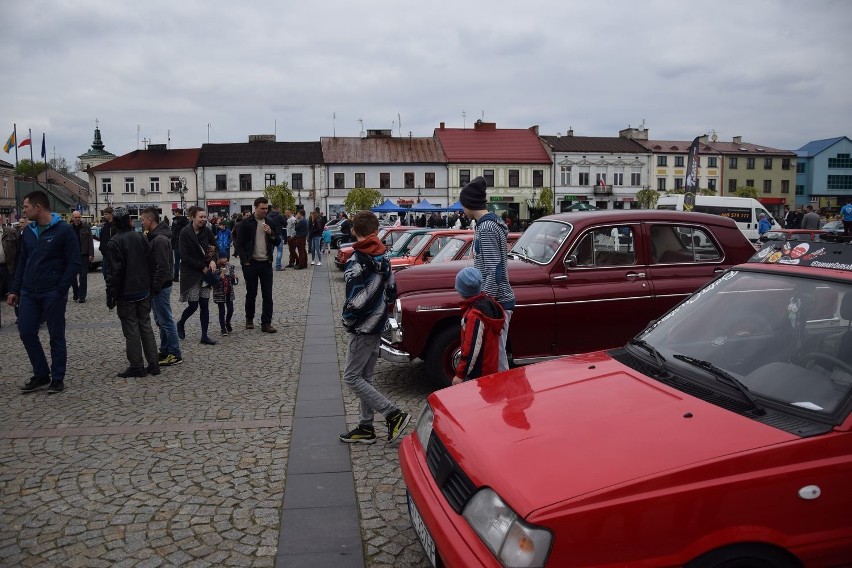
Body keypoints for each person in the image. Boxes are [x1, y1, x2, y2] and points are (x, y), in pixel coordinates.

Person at [339, 211, 410, 444]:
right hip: (379, 323)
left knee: (351, 377)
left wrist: (347, 321)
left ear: (353, 231)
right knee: (366, 376)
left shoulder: (356, 261)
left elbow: (355, 301)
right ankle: (365, 427)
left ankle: (392, 413)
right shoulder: (383, 256)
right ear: (376, 230)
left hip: (363, 327)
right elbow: (391, 290)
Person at [9, 191, 81, 394]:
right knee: (26, 332)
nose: (23, 211)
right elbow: (22, 262)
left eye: (26, 207)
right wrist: (15, 289)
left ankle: (57, 378)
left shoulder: (63, 230)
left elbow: (74, 262)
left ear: (38, 207)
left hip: (52, 292)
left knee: (56, 335)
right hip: (29, 292)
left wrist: (62, 287)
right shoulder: (28, 232)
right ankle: (41, 373)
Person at [460, 176, 515, 372]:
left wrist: (485, 302)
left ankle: (504, 398)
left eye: (462, 203)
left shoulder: (486, 227)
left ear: (469, 204)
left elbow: (495, 268)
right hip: (497, 300)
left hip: (496, 301)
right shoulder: (491, 224)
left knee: (496, 357)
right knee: (495, 355)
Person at [105, 207, 160, 378]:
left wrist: (111, 294)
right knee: (145, 325)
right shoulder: (140, 238)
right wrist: (150, 286)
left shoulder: (115, 242)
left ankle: (137, 366)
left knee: (131, 329)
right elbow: (151, 264)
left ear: (114, 223)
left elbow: (114, 272)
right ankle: (153, 363)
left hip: (126, 292)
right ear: (130, 221)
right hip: (143, 289)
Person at [140, 207, 182, 367]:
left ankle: (175, 353)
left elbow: (163, 267)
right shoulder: (153, 237)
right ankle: (165, 349)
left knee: (166, 320)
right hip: (157, 285)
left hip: (161, 286)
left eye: (143, 219)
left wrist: (155, 286)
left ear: (150, 220)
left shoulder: (159, 240)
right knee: (160, 320)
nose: (141, 222)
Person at [451, 267, 505, 386]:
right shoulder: (488, 304)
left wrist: (460, 374)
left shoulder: (475, 315)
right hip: (490, 365)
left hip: (480, 371)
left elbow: (472, 348)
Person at [234, 196, 280, 332]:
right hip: (251, 263)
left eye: (267, 208)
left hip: (266, 263)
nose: (265, 211)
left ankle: (266, 323)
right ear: (256, 208)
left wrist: (270, 233)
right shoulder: (246, 223)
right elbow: (239, 244)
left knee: (267, 294)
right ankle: (249, 318)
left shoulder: (270, 222)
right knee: (251, 293)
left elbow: (277, 241)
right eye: (262, 209)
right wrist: (245, 261)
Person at [176, 206, 218, 345]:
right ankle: (181, 323)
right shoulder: (185, 232)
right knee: (193, 305)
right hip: (191, 273)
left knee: (204, 304)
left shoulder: (207, 231)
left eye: (205, 217)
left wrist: (213, 260)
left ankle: (204, 336)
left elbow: (214, 247)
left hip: (205, 274)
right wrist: (202, 267)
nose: (203, 219)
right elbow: (183, 255)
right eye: (201, 217)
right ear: (192, 217)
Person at [69, 211, 95, 303]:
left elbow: (90, 241)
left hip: (83, 255)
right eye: (75, 217)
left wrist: (91, 254)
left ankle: (82, 296)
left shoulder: (86, 227)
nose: (77, 219)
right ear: (72, 218)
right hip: (72, 256)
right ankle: (76, 291)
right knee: (72, 276)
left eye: (79, 217)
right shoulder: (68, 228)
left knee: (83, 276)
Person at [212, 254, 236, 336]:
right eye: (222, 258)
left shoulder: (230, 267)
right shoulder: (215, 268)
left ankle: (227, 321)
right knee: (221, 311)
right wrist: (221, 275)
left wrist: (234, 278)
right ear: (218, 259)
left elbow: (233, 282)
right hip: (219, 293)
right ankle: (223, 328)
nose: (225, 259)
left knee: (231, 309)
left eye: (225, 257)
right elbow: (214, 283)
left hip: (229, 291)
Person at [0, 222, 19, 324]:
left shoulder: (10, 232)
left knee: (15, 291)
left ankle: (19, 315)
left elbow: (18, 248)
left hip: (9, 267)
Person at [171, 208, 189, 282]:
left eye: (175, 212)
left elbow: (173, 234)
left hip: (177, 243)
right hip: (185, 243)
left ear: (178, 213)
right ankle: (186, 276)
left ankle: (176, 277)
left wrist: (172, 244)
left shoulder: (175, 221)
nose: (174, 214)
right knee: (186, 260)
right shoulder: (187, 221)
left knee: (177, 261)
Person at [99, 207, 116, 282]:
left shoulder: (115, 226)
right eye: (104, 214)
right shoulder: (104, 226)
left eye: (106, 214)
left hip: (112, 253)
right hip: (105, 254)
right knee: (105, 272)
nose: (104, 216)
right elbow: (102, 238)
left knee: (111, 273)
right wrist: (101, 248)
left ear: (111, 214)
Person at [267, 204, 286, 270]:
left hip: (271, 234)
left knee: (270, 250)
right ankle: (278, 266)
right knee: (279, 250)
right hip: (279, 234)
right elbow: (285, 223)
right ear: (277, 208)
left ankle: (269, 266)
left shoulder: (268, 216)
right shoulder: (279, 216)